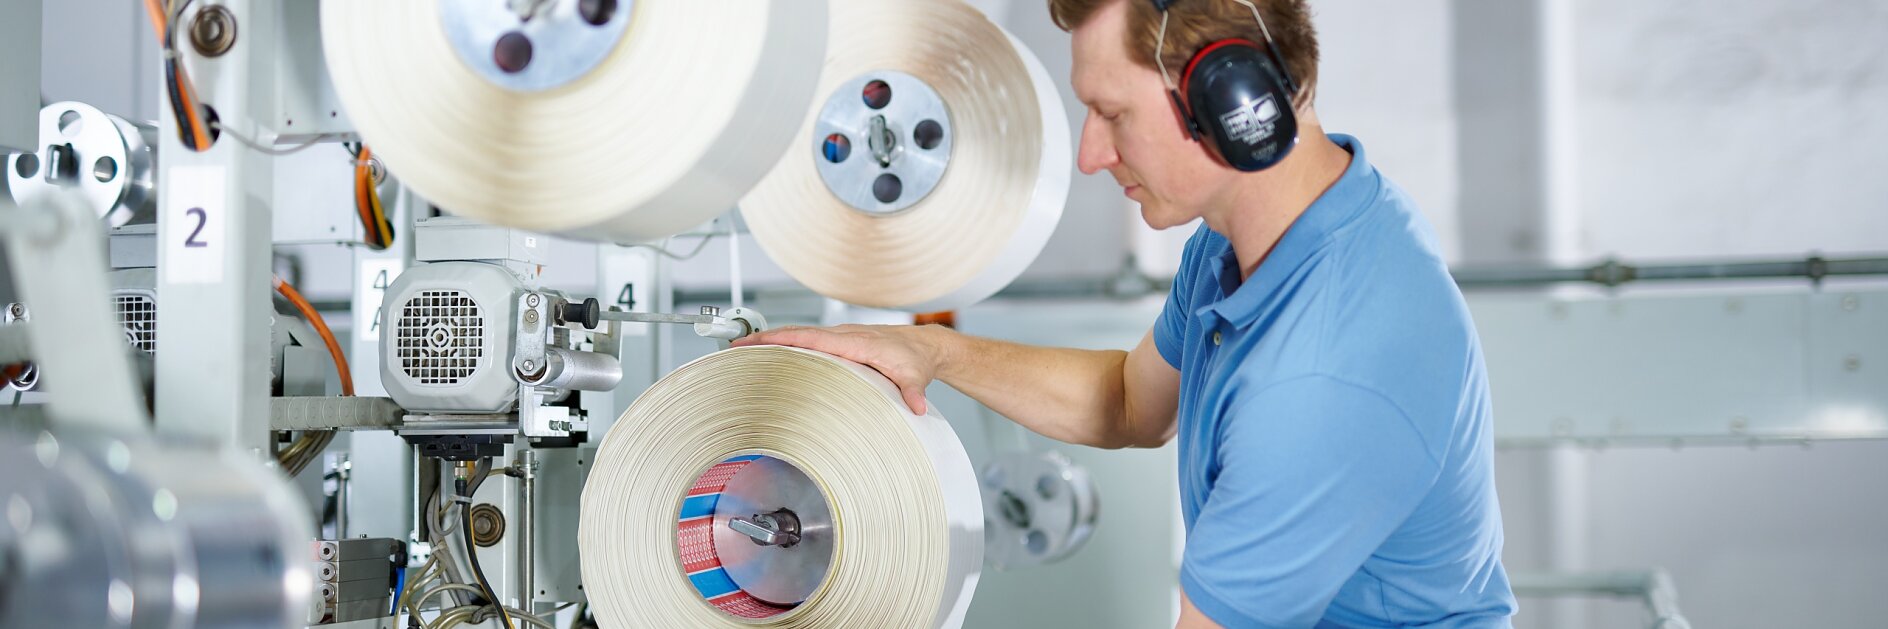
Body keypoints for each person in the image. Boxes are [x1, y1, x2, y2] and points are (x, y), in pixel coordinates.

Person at [735, 0, 1516, 626]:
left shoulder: (1324, 377)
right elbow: (1127, 403)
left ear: (1234, 104)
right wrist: (932, 356)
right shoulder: (1257, 235)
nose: (1090, 154)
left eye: (1112, 113)